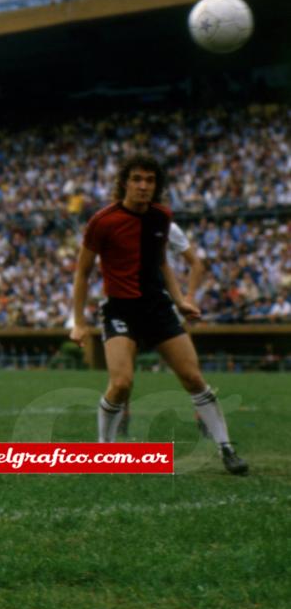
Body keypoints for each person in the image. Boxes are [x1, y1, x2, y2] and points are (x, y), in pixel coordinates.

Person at [69, 155, 247, 474]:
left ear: (156, 186)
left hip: (158, 308)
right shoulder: (102, 221)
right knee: (121, 384)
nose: (143, 186)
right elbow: (82, 273)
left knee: (193, 379)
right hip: (120, 309)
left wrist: (180, 300)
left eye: (150, 181)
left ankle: (226, 448)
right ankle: (104, 452)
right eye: (137, 179)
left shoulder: (161, 217)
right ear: (125, 182)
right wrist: (79, 322)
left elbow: (162, 261)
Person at [117, 220, 205, 435]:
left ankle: (203, 417)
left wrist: (190, 297)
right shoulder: (119, 224)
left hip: (167, 305)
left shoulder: (168, 228)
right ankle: (122, 417)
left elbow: (196, 264)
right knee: (123, 371)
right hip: (132, 302)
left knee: (190, 370)